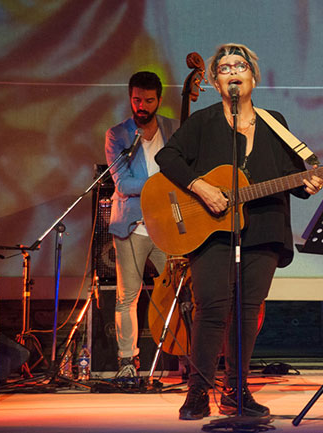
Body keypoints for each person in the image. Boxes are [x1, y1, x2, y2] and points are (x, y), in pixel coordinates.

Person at [155, 43, 323, 420]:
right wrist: (201, 187)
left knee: (247, 313)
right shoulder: (204, 121)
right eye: (225, 68)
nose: (233, 71)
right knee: (211, 308)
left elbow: (290, 175)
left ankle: (236, 390)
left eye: (240, 65)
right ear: (216, 83)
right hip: (212, 231)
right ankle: (198, 391)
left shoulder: (274, 122)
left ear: (253, 77)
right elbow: (167, 157)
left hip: (264, 228)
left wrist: (308, 183)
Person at [104, 71, 179, 378]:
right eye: (136, 100)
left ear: (159, 100)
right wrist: (163, 183)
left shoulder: (174, 129)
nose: (141, 106)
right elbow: (123, 184)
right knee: (127, 297)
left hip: (168, 225)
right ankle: (127, 362)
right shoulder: (117, 134)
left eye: (148, 100)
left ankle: (186, 357)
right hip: (131, 226)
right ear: (130, 98)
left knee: (179, 294)